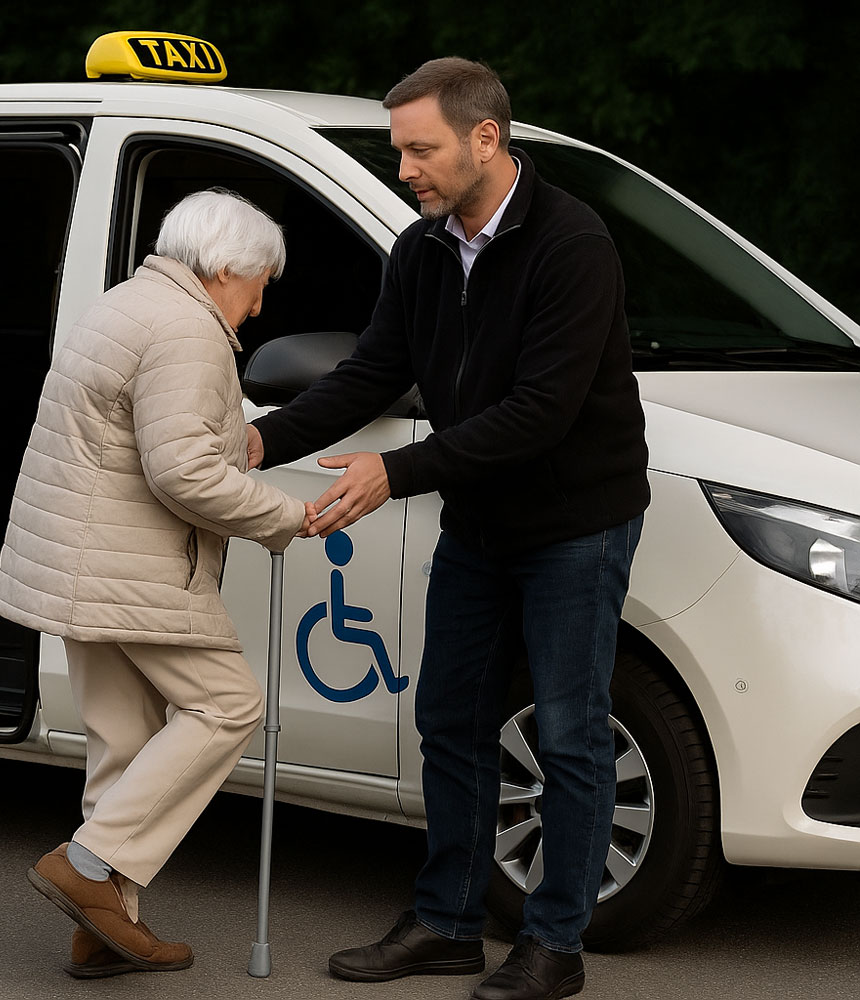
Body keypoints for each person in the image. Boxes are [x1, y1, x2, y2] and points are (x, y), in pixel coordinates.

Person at [247, 58, 649, 1000]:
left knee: (569, 733)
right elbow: (370, 373)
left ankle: (554, 947)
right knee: (449, 721)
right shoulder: (421, 250)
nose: (406, 170)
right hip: (478, 522)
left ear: (486, 138)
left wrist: (398, 471)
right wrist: (254, 443)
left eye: (420, 149)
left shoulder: (573, 246)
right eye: (399, 150)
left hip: (573, 526)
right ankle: (448, 923)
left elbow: (539, 412)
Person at [0, 188, 310, 978]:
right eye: (260, 282)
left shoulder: (126, 304)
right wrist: (284, 516)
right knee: (228, 703)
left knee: (125, 741)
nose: (260, 303)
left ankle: (102, 932)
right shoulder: (187, 329)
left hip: (80, 560)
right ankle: (89, 865)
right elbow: (182, 470)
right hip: (130, 566)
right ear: (226, 265)